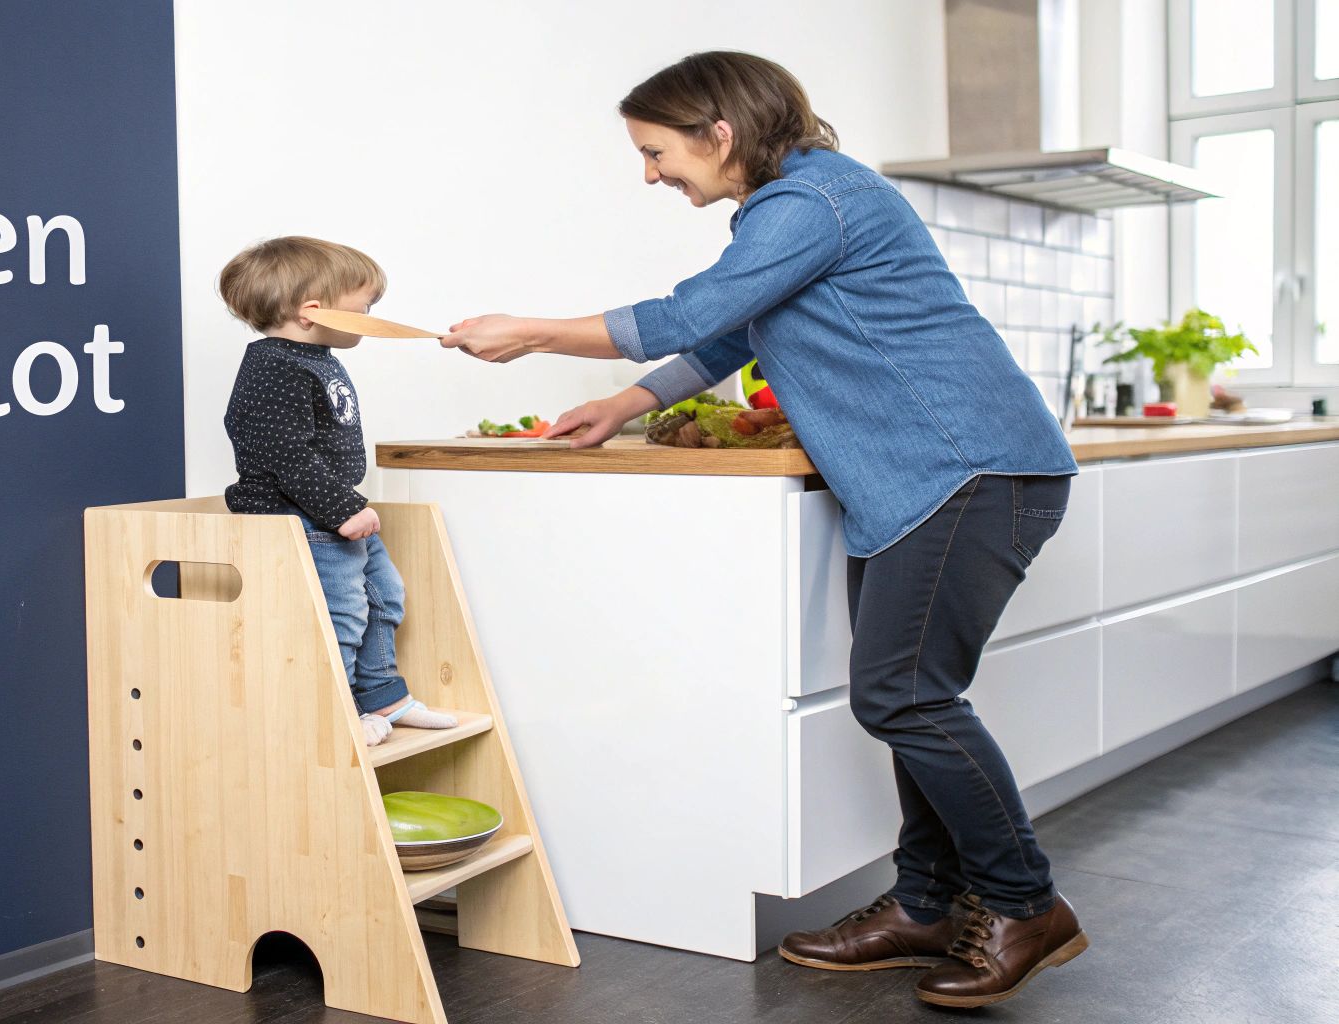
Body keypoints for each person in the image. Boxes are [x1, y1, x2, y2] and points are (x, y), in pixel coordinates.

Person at [441, 51, 1088, 1009]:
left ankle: (1026, 905)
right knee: (913, 696)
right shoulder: (796, 208)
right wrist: (623, 401)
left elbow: (689, 310)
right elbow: (730, 332)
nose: (651, 174)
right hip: (920, 483)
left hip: (967, 470)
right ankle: (924, 906)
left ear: (721, 134)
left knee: (905, 698)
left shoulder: (810, 202)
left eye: (658, 153)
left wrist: (531, 331)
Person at [219, 236, 458, 746]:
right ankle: (341, 709)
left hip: (329, 511)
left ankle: (383, 695)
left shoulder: (314, 357)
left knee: (384, 595)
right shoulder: (274, 366)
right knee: (341, 613)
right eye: (365, 305)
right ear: (312, 311)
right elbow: (283, 451)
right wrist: (342, 508)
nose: (372, 314)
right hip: (304, 515)